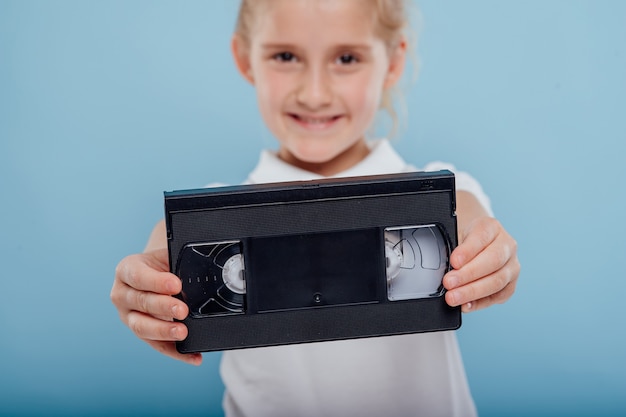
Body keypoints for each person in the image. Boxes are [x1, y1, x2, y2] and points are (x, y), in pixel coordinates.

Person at [111, 0, 520, 416]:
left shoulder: (444, 190)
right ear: (244, 58)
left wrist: (487, 256)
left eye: (347, 58)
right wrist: (148, 289)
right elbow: (164, 250)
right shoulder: (211, 224)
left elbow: (468, 218)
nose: (315, 93)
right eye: (285, 56)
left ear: (394, 61)